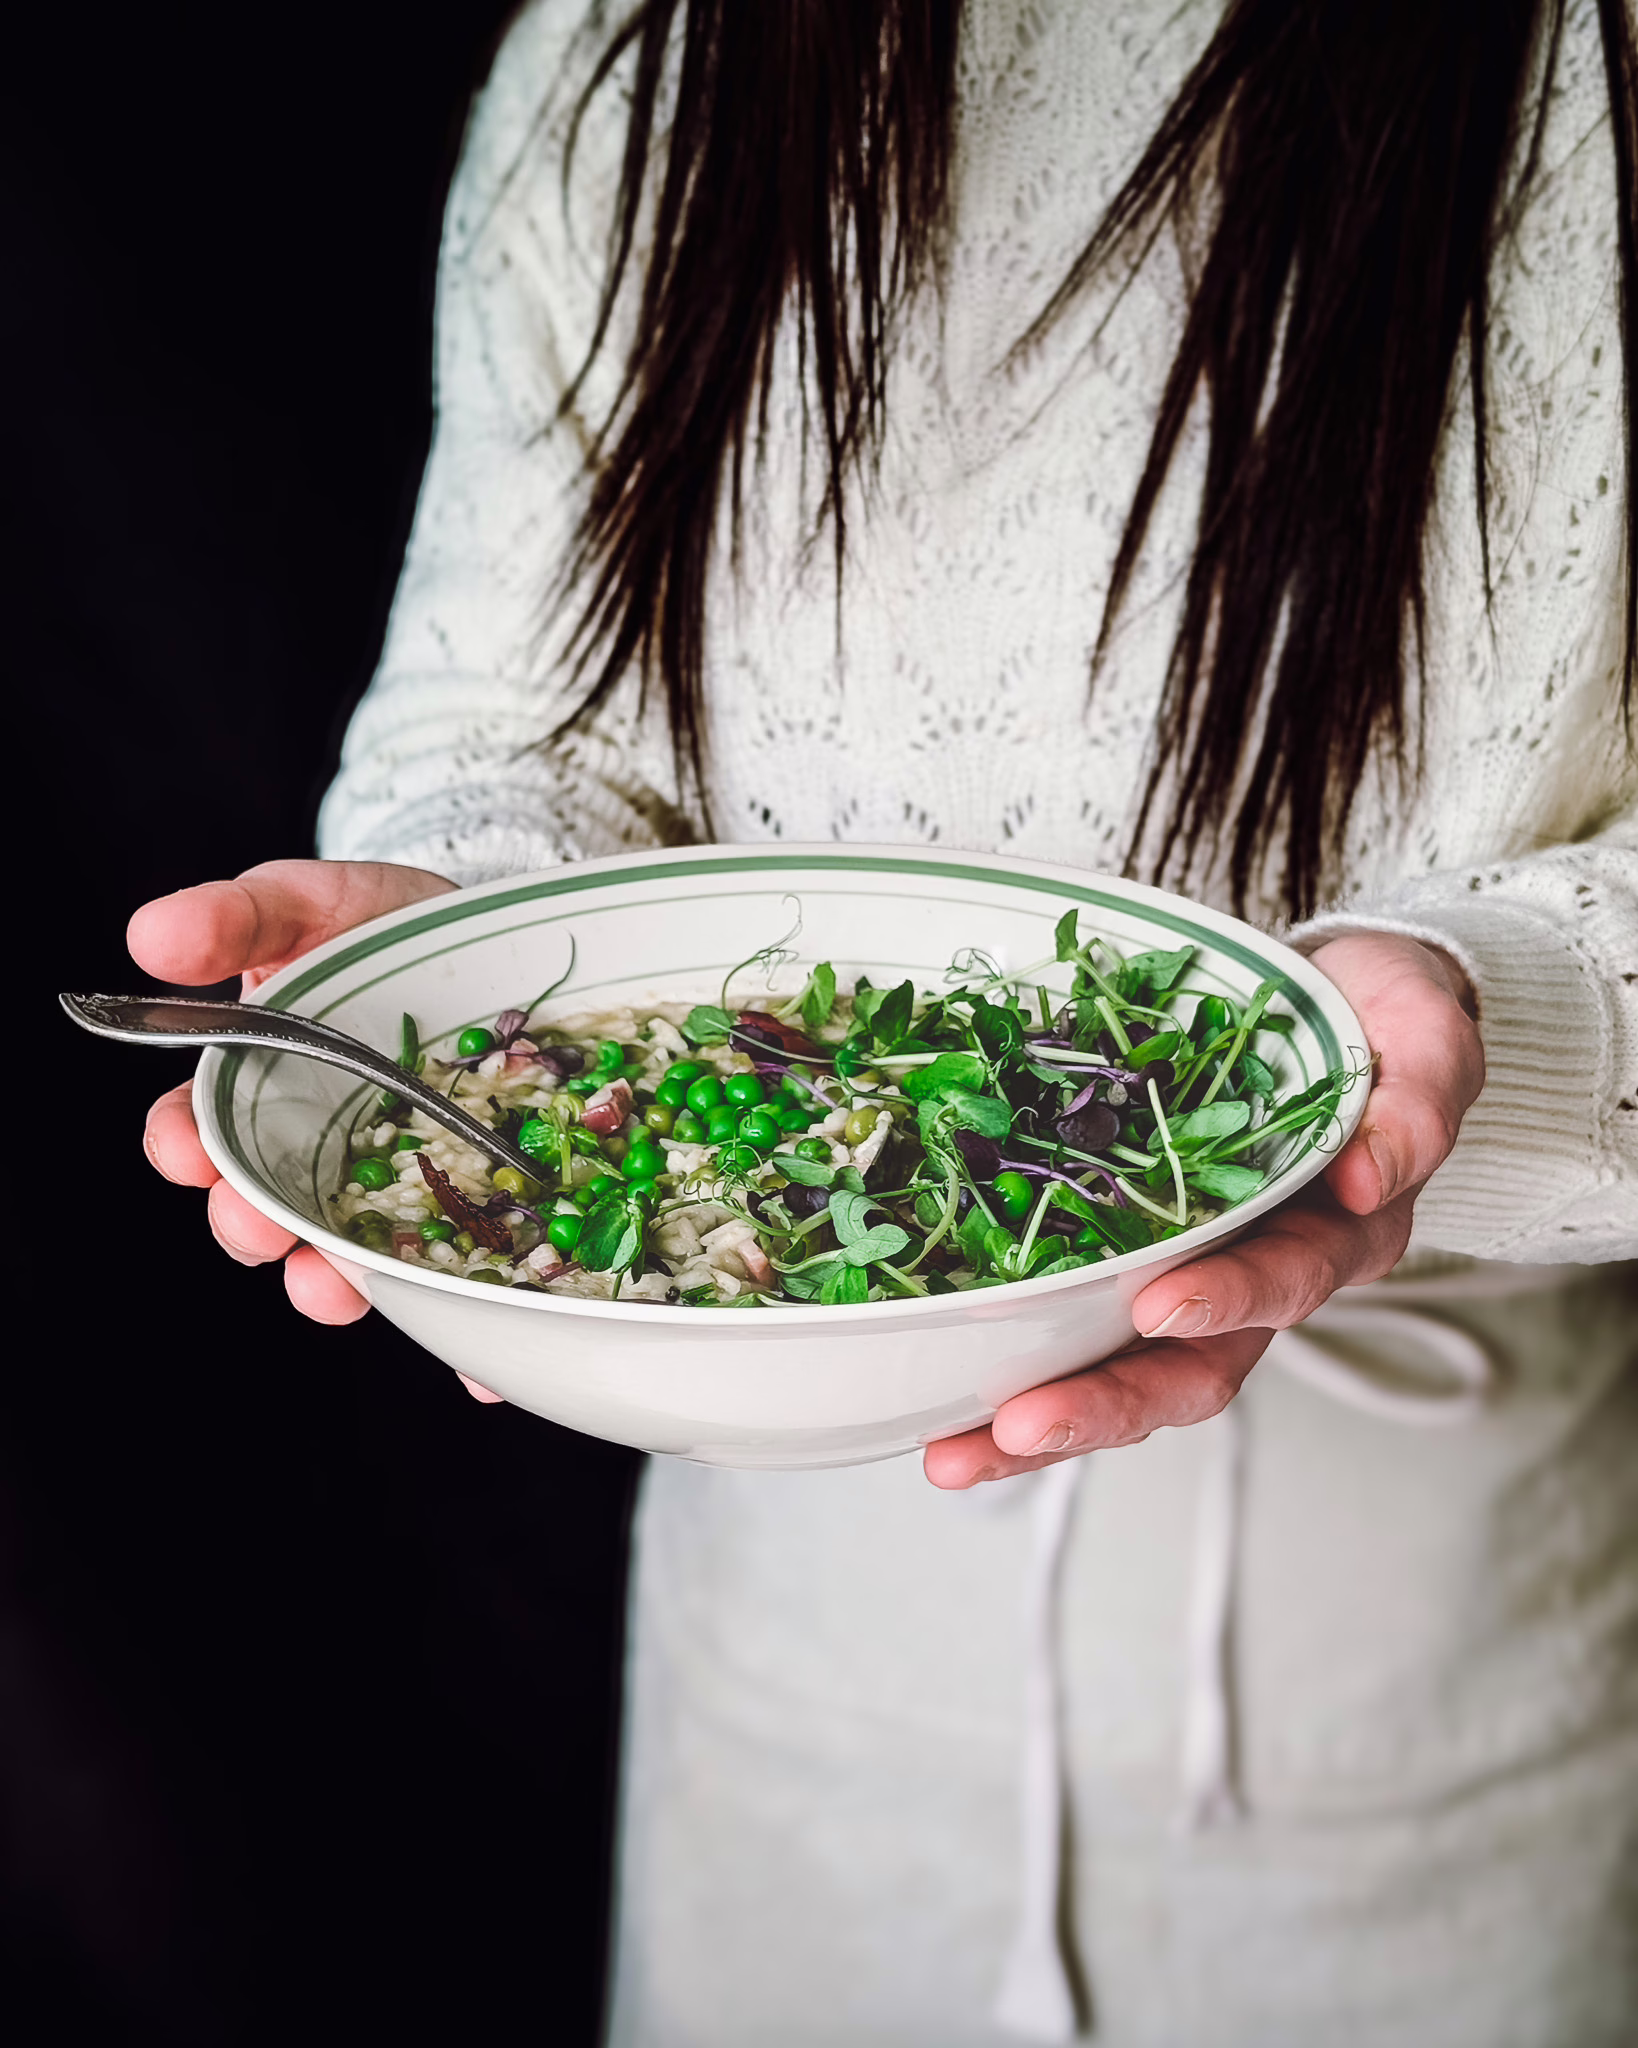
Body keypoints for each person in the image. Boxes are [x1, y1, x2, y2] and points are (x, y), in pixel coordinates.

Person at [131, 1, 1637, 2040]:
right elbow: (512, 716)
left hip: (1452, 1748)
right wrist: (472, 928)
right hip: (787, 1736)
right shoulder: (641, 57)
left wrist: (1488, 1009)